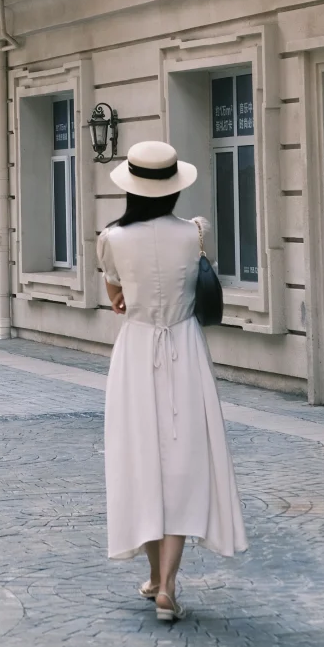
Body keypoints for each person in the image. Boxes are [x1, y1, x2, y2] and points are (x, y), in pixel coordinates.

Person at [97, 139, 247, 622]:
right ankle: (168, 586)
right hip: (185, 348)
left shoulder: (112, 238)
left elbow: (117, 299)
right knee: (184, 462)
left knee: (139, 459)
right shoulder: (194, 232)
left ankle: (155, 577)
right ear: (173, 188)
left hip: (137, 350)